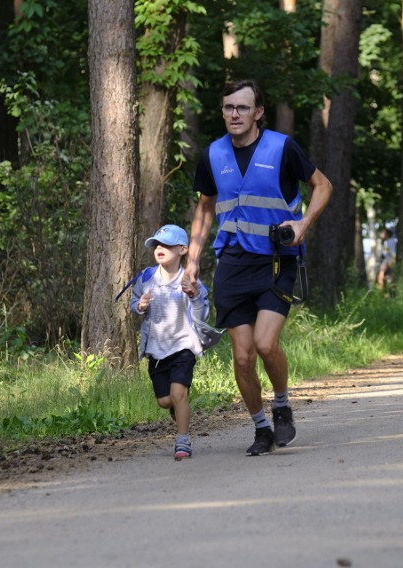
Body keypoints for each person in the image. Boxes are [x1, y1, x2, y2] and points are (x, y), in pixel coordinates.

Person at [183, 79, 332, 456]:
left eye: (243, 108)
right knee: (243, 356)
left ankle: (281, 401)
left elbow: (323, 185)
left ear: (258, 112)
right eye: (229, 107)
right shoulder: (213, 155)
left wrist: (304, 223)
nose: (235, 114)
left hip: (277, 261)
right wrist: (193, 262)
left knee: (266, 344)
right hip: (233, 263)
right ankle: (261, 427)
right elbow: (204, 208)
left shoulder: (282, 148)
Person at [130, 224, 211, 460]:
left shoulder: (190, 280)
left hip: (183, 346)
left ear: (182, 249)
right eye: (157, 244)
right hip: (156, 350)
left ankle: (183, 441)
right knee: (165, 401)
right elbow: (135, 304)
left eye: (166, 245)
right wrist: (140, 306)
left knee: (178, 394)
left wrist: (194, 296)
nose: (159, 248)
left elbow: (203, 314)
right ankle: (178, 408)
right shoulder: (146, 278)